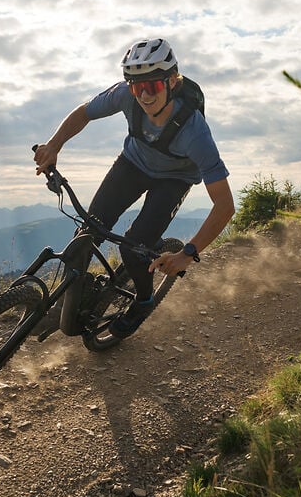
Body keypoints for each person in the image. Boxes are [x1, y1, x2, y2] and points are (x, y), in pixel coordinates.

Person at [33, 37, 235, 338]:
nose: (143, 95)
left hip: (175, 178)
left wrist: (187, 255)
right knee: (86, 234)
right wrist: (54, 145)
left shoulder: (194, 132)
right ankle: (64, 306)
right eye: (136, 86)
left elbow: (225, 206)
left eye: (151, 86)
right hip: (134, 163)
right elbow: (84, 112)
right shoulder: (125, 96)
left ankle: (143, 301)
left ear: (172, 81)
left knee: (134, 247)